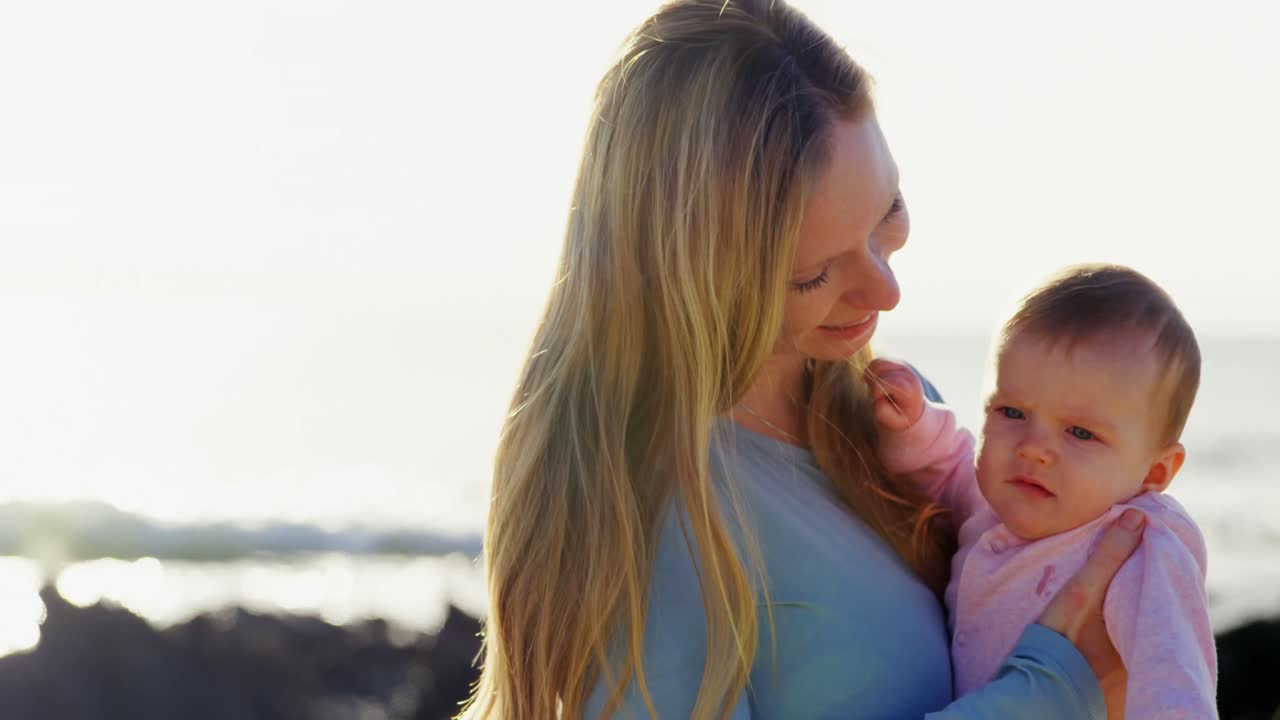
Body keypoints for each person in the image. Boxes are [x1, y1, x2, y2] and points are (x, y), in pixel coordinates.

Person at [460, 1, 1145, 718]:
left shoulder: (899, 421)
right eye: (813, 274)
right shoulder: (644, 525)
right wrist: (1055, 694)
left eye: (888, 213)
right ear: (698, 274)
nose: (887, 289)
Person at [867, 265, 1216, 719]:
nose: (1034, 449)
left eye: (1080, 433)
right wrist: (913, 423)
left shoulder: (1143, 548)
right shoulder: (995, 497)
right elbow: (948, 462)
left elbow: (1175, 682)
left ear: (1155, 471)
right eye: (1011, 411)